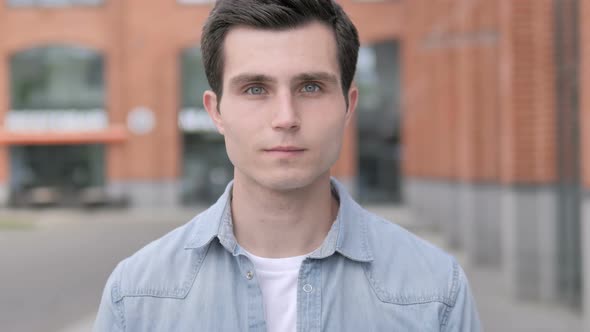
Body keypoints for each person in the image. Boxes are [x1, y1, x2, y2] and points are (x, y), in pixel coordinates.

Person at [94, 0, 481, 331]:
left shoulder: (435, 291)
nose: (285, 117)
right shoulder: (136, 295)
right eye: (255, 89)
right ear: (216, 112)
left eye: (311, 87)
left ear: (349, 106)